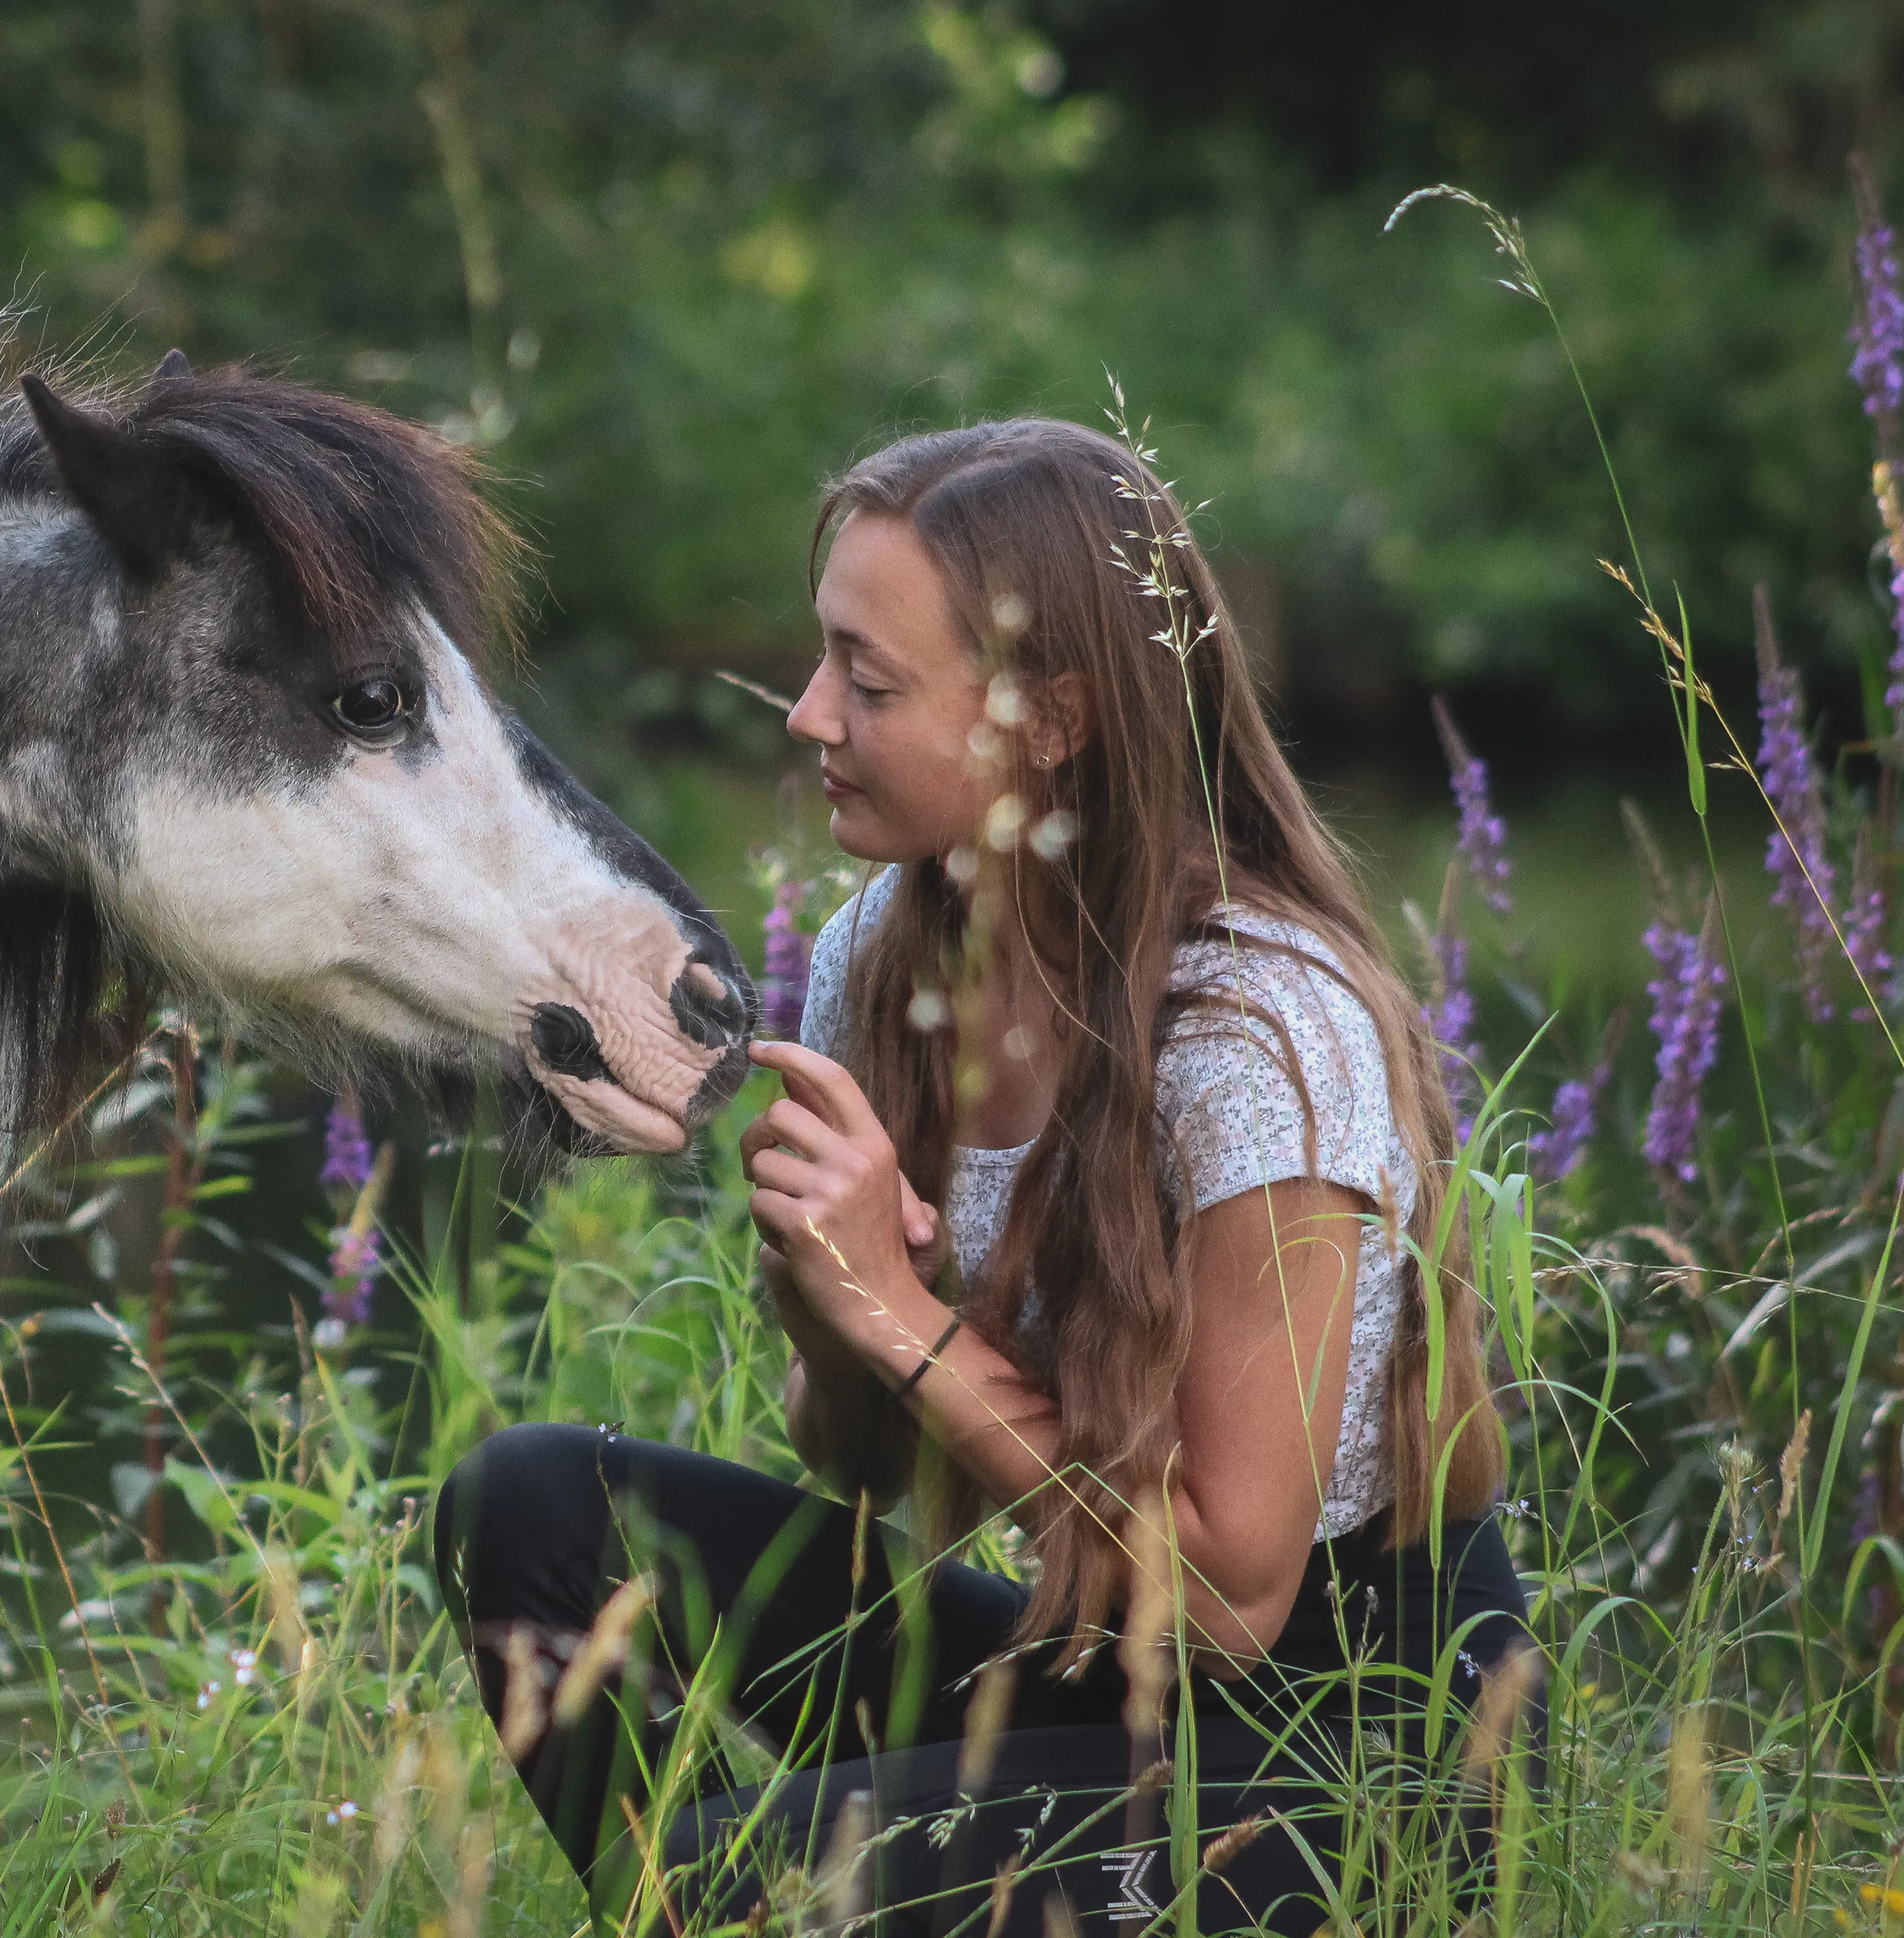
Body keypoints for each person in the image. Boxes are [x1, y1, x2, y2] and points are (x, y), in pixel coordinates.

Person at [436, 420, 1538, 1933]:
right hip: (1085, 1664)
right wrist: (824, 1294)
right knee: (532, 1504)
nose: (811, 715)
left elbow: (1230, 1600)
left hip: (1345, 1756)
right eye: (820, 660)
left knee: (762, 1873)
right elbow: (871, 1470)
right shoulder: (881, 961)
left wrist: (903, 1316)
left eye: (868, 682)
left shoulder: (1260, 1030)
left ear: (1051, 720)